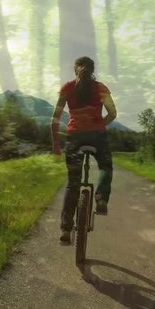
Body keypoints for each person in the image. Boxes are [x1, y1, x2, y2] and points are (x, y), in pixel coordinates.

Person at [51, 56, 117, 244]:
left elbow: (55, 118)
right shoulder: (101, 88)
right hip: (97, 136)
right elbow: (113, 113)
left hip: (75, 138)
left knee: (73, 183)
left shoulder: (67, 88)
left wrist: (56, 144)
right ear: (93, 70)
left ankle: (65, 229)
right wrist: (99, 125)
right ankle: (101, 199)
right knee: (105, 166)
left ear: (75, 70)